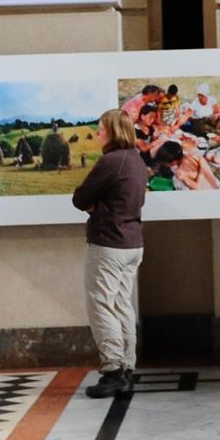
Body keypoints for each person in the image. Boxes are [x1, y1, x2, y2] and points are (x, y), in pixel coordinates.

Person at [71, 108, 151, 398]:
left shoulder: (111, 161)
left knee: (101, 305)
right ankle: (127, 366)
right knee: (121, 305)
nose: (97, 133)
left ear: (114, 131)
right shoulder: (136, 161)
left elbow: (80, 198)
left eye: (101, 128)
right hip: (132, 243)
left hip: (108, 245)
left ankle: (113, 370)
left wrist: (96, 206)